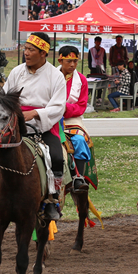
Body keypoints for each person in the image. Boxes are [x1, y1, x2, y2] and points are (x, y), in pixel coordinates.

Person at [2, 32, 67, 220]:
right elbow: (6, 98)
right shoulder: (17, 72)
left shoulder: (56, 76)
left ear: (43, 53)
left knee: (56, 156)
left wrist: (36, 113)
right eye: (25, 49)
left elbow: (58, 106)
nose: (26, 53)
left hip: (43, 127)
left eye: (31, 50)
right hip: (16, 126)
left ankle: (52, 200)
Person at [57, 46, 90, 191]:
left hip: (71, 119)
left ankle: (78, 177)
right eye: (69, 61)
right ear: (60, 60)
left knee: (80, 140)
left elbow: (81, 106)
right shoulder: (51, 76)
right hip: (50, 117)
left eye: (75, 61)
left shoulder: (81, 80)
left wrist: (64, 108)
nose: (72, 65)